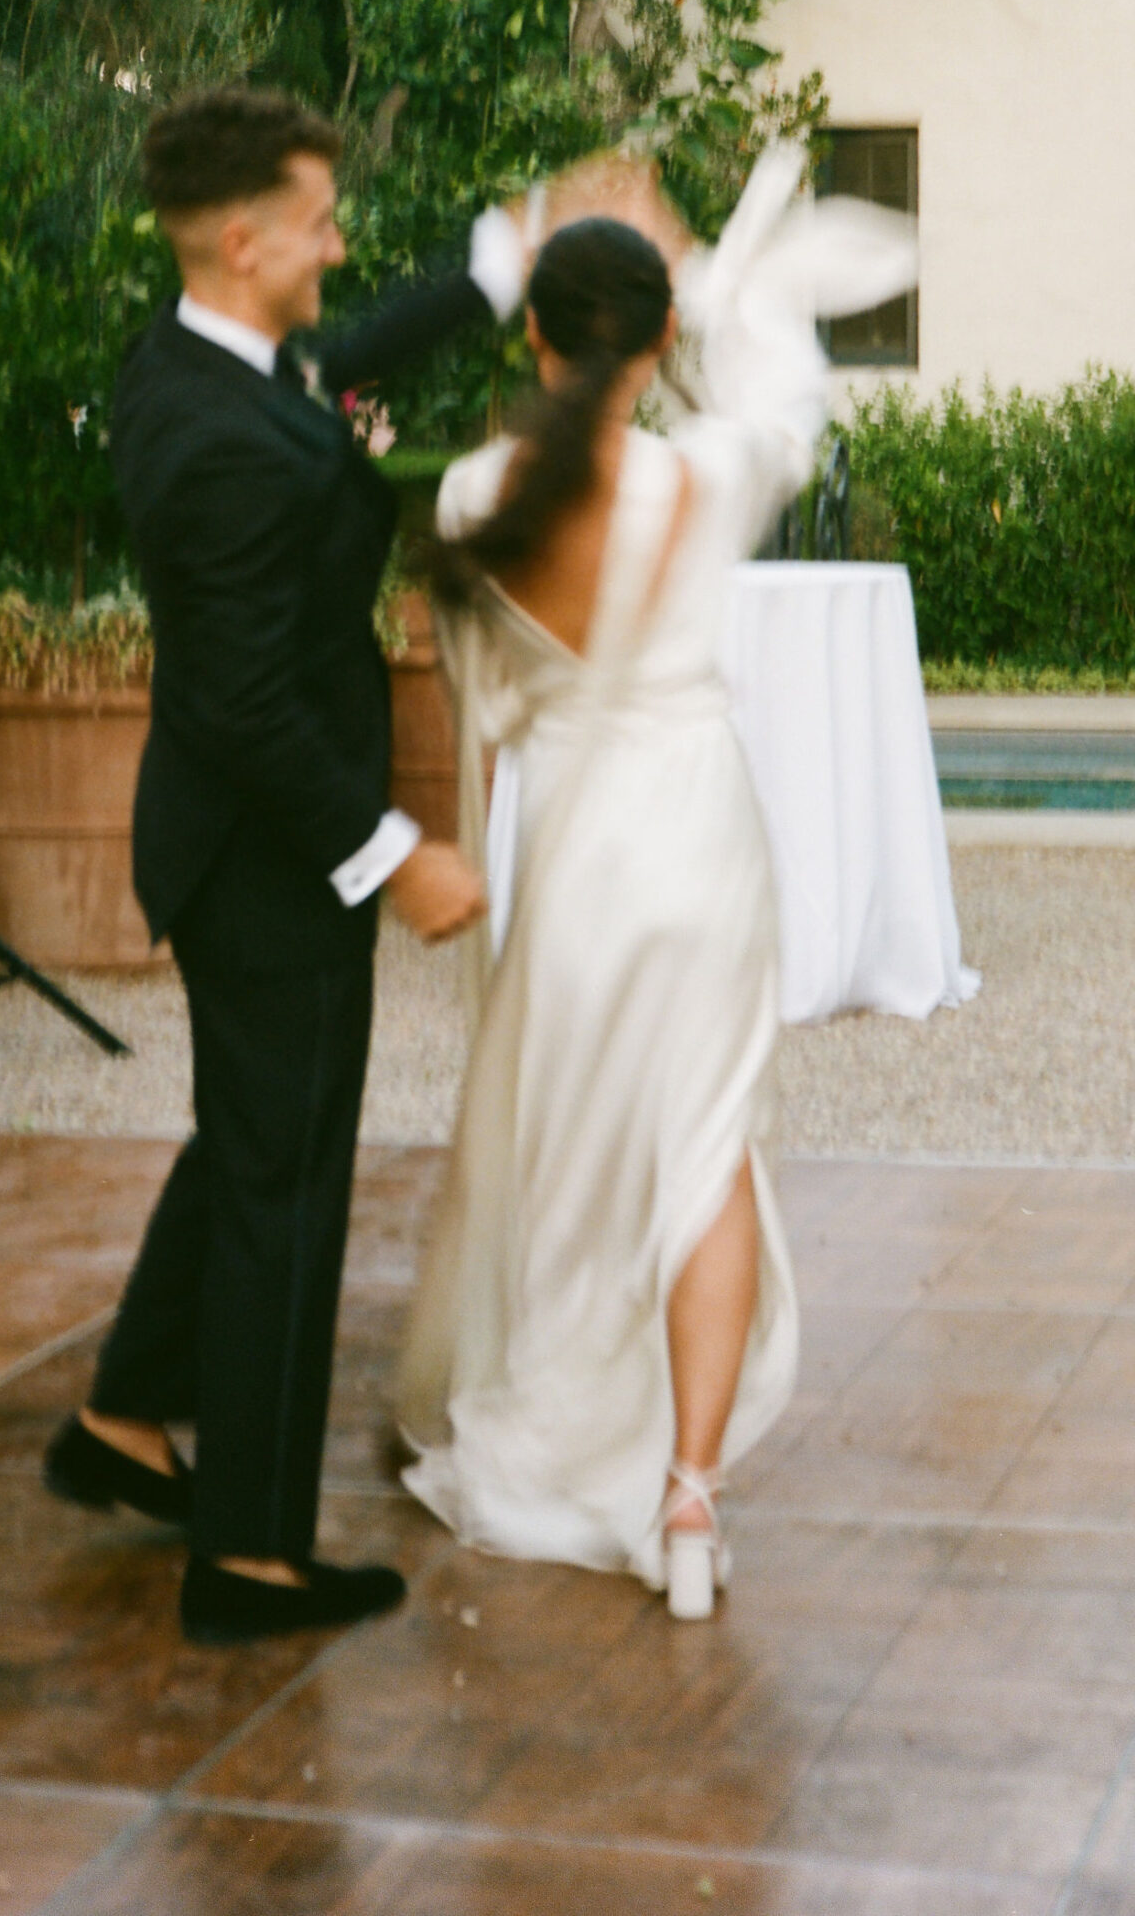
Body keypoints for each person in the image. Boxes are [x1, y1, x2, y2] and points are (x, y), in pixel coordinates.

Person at [396, 141, 917, 1619]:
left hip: (573, 843)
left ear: (534, 339)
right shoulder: (711, 472)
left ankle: (570, 1438)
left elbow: (488, 710)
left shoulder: (476, 494)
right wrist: (698, 267)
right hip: (701, 831)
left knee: (576, 1151)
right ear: (659, 344)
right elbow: (788, 391)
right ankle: (686, 1502)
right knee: (708, 1156)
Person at [43, 86, 514, 1645]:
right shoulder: (208, 434)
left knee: (245, 1141)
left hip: (248, 848)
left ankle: (122, 1422)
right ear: (243, 239)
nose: (338, 238)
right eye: (317, 216)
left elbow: (348, 348)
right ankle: (247, 1558)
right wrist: (394, 859)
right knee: (286, 1186)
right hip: (265, 865)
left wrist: (506, 264)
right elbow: (241, 703)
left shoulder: (221, 361)